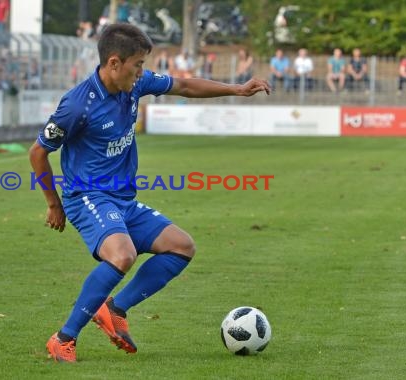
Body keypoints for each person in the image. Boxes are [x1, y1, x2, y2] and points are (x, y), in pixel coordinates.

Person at [29, 23, 270, 363]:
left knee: (181, 246)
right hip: (87, 196)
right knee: (122, 254)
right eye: (137, 64)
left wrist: (237, 89)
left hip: (122, 200)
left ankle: (115, 309)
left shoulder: (135, 85)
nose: (142, 71)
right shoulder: (77, 105)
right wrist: (54, 205)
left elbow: (184, 85)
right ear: (114, 63)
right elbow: (38, 152)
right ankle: (64, 339)